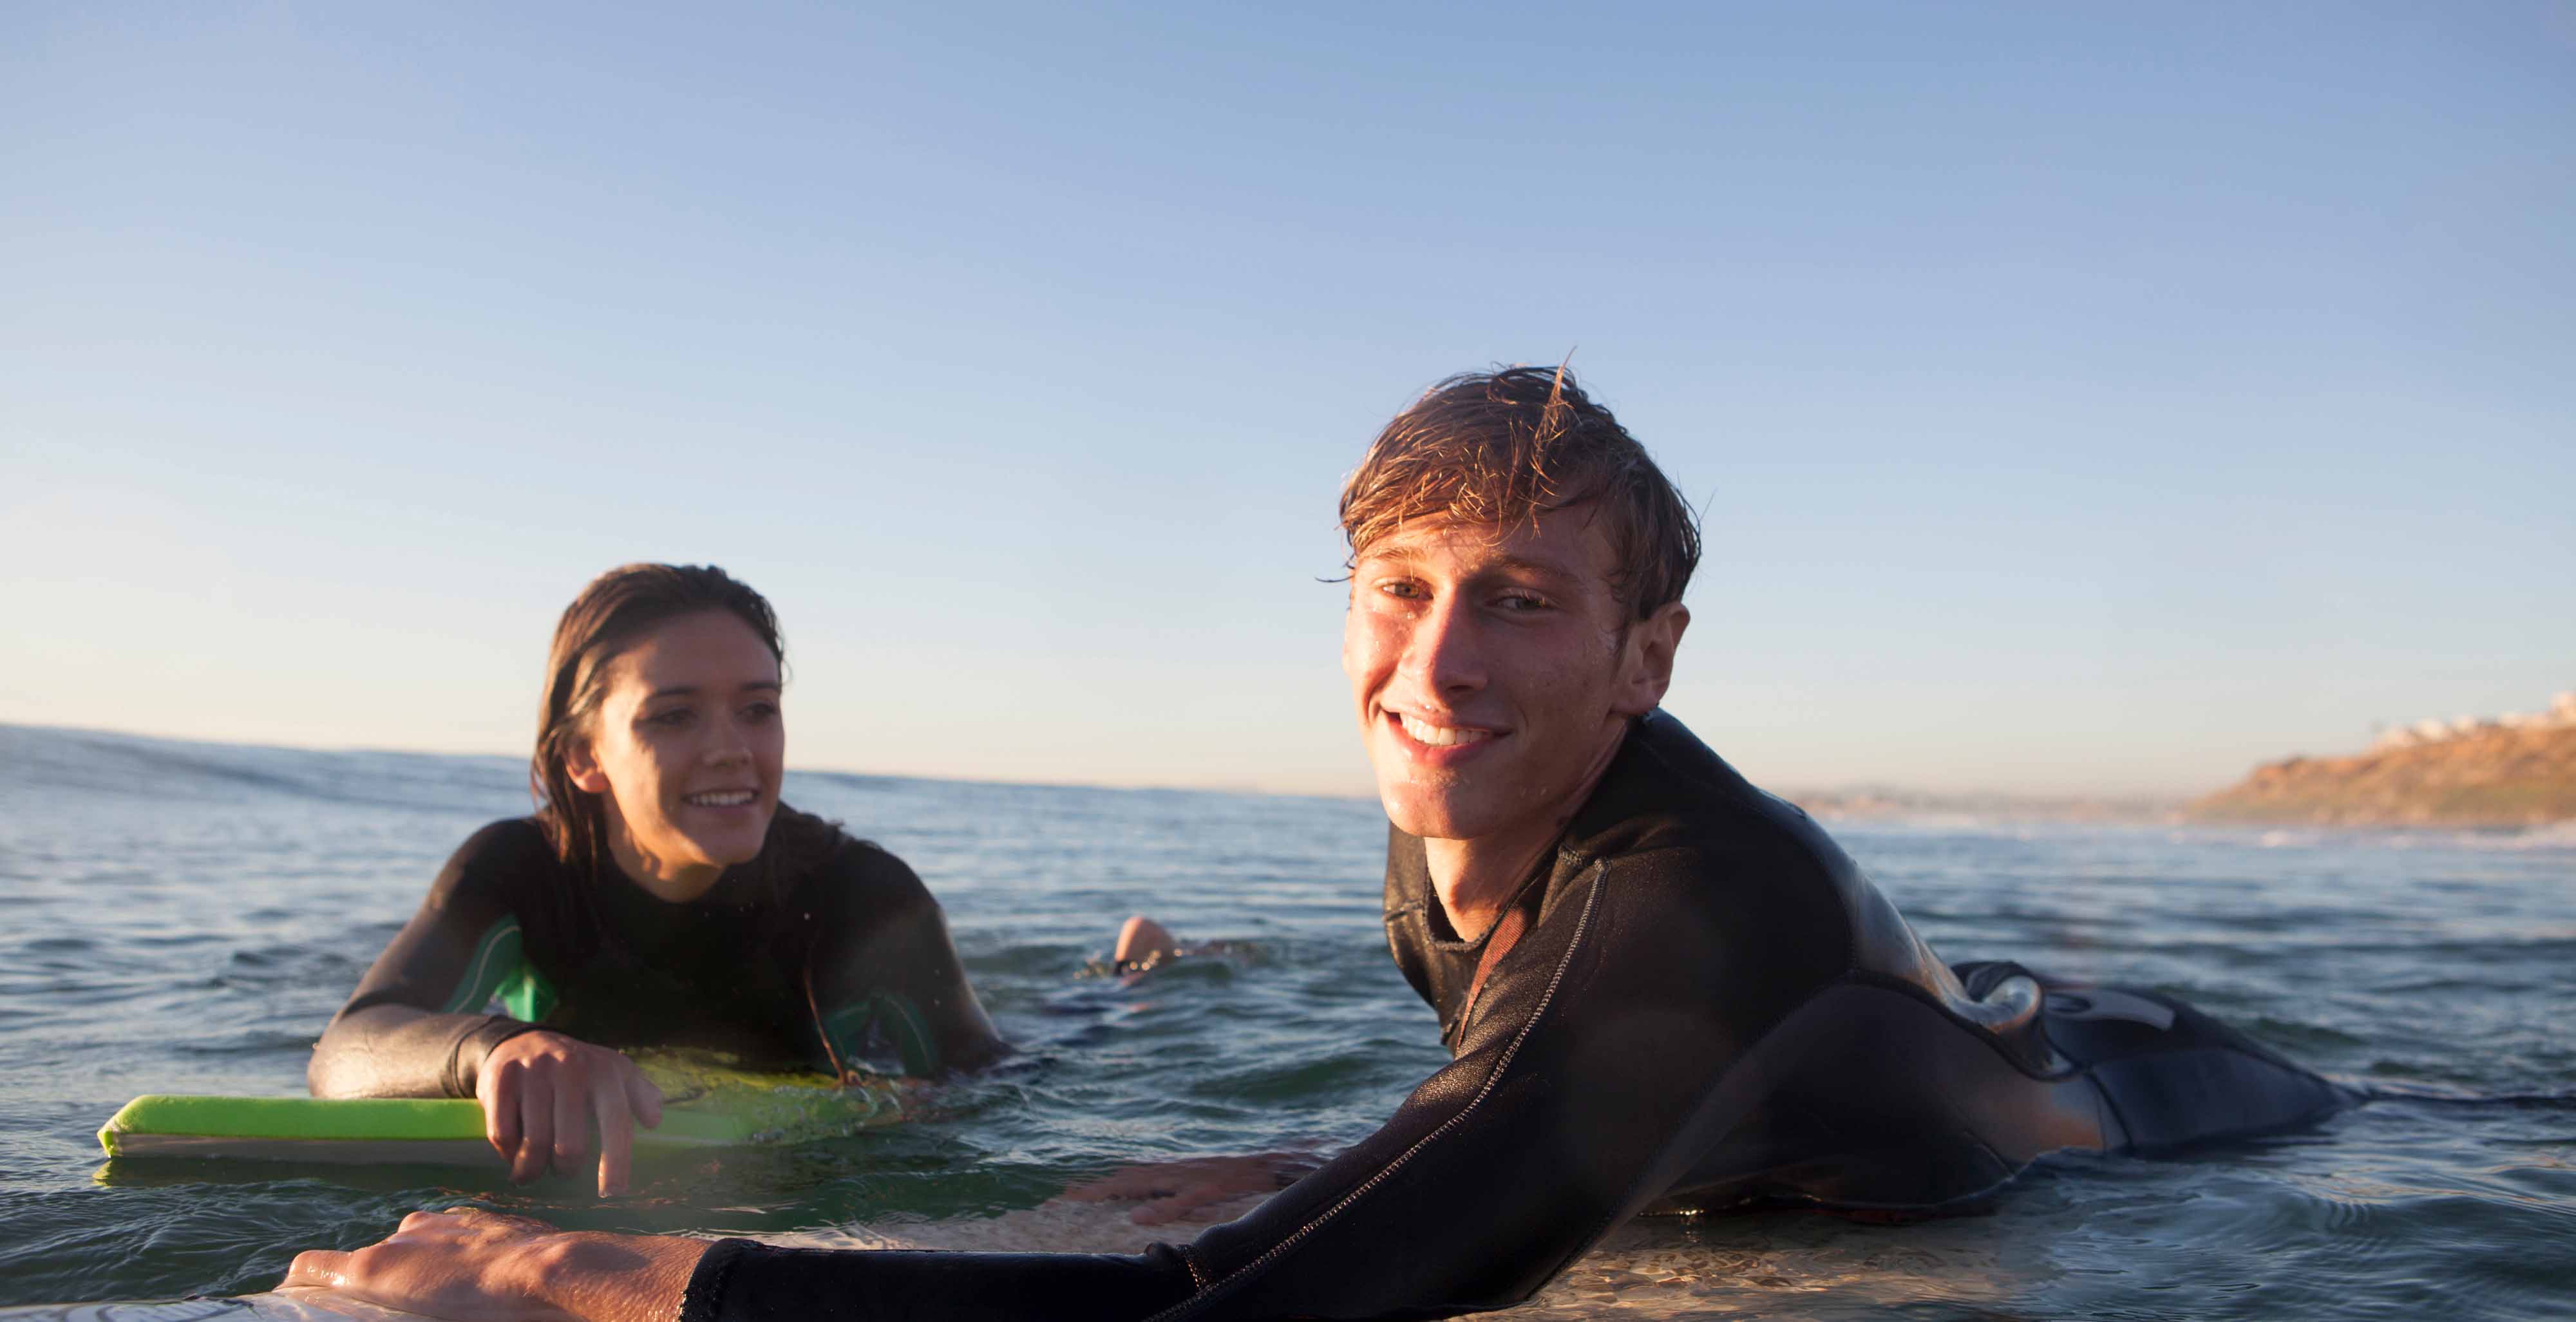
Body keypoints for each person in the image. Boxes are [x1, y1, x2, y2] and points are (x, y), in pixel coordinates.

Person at [289, 370, 2351, 1319]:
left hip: (2169, 1112)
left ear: (1649, 655)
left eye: (1522, 600)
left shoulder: (1696, 895)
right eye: (1396, 587)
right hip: (1885, 1073)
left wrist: (612, 1274)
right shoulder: (1449, 824)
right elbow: (1530, 1107)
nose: (1433, 667)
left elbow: (1247, 1320)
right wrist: (1328, 1159)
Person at [306, 563, 1007, 1198]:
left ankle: (1123, 979)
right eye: (674, 716)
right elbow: (345, 1054)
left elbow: (989, 1087)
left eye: (758, 708)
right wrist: (496, 1050)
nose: (732, 749)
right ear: (584, 755)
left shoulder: (866, 896)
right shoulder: (518, 872)